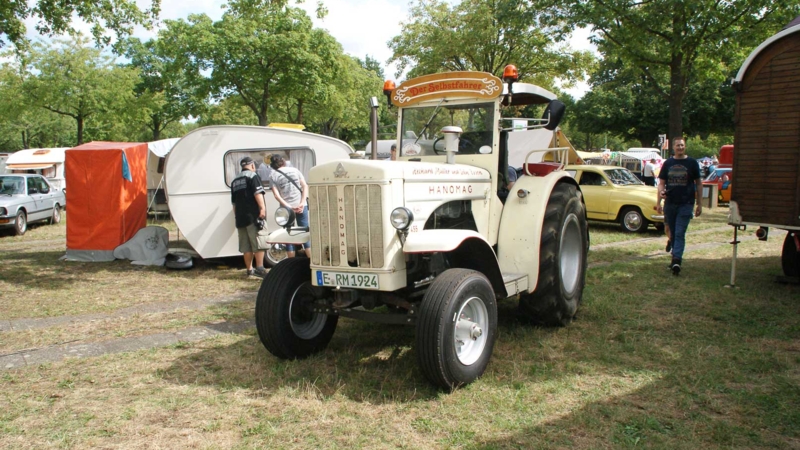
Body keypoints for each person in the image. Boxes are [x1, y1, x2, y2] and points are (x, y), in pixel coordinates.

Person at [656, 137, 702, 275]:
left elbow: (699, 184)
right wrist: (659, 198)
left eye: (682, 145)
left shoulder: (692, 163)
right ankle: (674, 258)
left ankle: (677, 260)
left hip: (686, 203)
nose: (680, 147)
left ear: (685, 146)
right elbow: (661, 183)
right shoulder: (668, 163)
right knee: (673, 232)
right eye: (678, 145)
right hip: (670, 203)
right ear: (673, 148)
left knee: (680, 232)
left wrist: (700, 203)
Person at [231, 156, 268, 278]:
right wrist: (262, 209)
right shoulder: (253, 176)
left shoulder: (235, 181)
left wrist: (237, 216)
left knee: (246, 245)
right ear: (252, 165)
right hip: (253, 216)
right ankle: (260, 268)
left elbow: (234, 203)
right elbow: (257, 193)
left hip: (240, 218)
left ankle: (249, 270)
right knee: (258, 241)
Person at [269, 154, 310, 258]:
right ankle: (310, 260)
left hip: (286, 209)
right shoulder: (295, 170)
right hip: (302, 206)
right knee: (305, 232)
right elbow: (305, 186)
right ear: (283, 161)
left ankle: (291, 261)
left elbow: (276, 195)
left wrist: (289, 207)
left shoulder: (273, 175)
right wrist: (302, 202)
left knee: (288, 234)